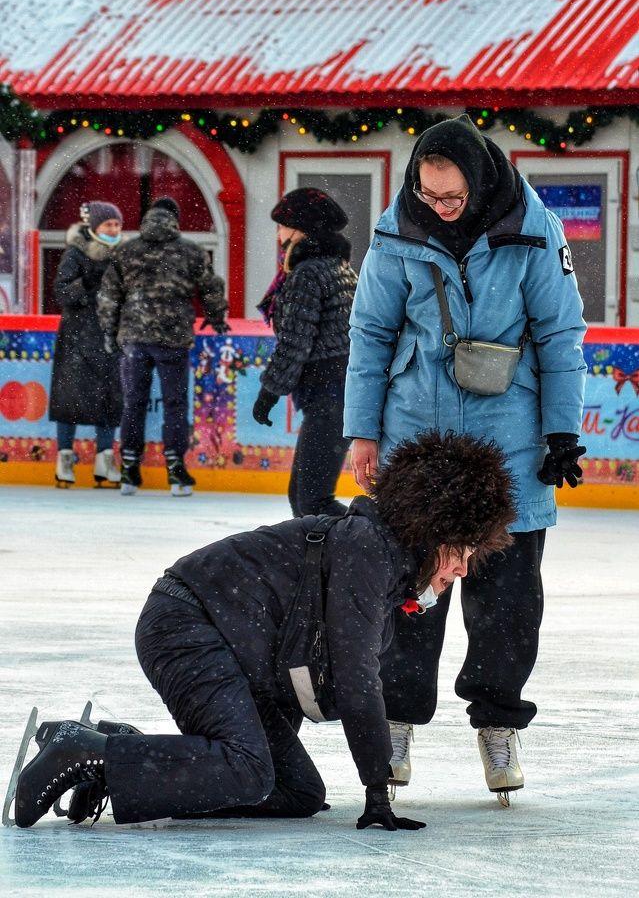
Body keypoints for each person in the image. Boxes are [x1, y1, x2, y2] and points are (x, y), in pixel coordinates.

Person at [8, 429, 516, 831]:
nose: (462, 571)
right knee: (247, 769)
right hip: (185, 624)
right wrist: (376, 789)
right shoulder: (368, 552)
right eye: (461, 553)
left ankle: (116, 756)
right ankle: (84, 752)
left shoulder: (385, 570)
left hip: (235, 650)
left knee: (297, 793)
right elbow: (357, 678)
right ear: (433, 534)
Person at [343, 114, 587, 803]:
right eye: (428, 194)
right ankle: (394, 723)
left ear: (477, 183)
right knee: (409, 595)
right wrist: (363, 431)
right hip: (416, 436)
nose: (439, 207)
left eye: (450, 197)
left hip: (508, 435)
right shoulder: (397, 231)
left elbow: (560, 330)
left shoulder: (532, 230)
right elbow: (370, 331)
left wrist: (561, 432)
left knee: (506, 601)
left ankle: (497, 722)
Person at [97, 196, 229, 497]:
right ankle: (175, 470)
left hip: (134, 339)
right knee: (175, 404)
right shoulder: (191, 252)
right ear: (175, 219)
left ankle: (129, 469)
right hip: (173, 339)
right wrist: (216, 316)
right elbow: (211, 286)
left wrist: (110, 331)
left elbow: (108, 296)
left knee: (133, 403)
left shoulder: (125, 251)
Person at [253, 188, 357, 517]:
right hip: (340, 392)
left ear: (301, 231)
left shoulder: (308, 275)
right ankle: (331, 564)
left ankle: (380, 550)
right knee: (305, 499)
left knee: (312, 501)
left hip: (330, 392)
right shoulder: (338, 268)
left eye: (283, 226)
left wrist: (269, 391)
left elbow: (296, 341)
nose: (279, 235)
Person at [49, 201, 124, 488]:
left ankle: (105, 461)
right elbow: (62, 291)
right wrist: (87, 286)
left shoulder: (122, 255)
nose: (114, 229)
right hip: (77, 338)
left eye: (117, 224)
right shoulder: (76, 253)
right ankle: (65, 461)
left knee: (110, 399)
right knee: (69, 399)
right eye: (108, 224)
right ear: (94, 227)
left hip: (109, 336)